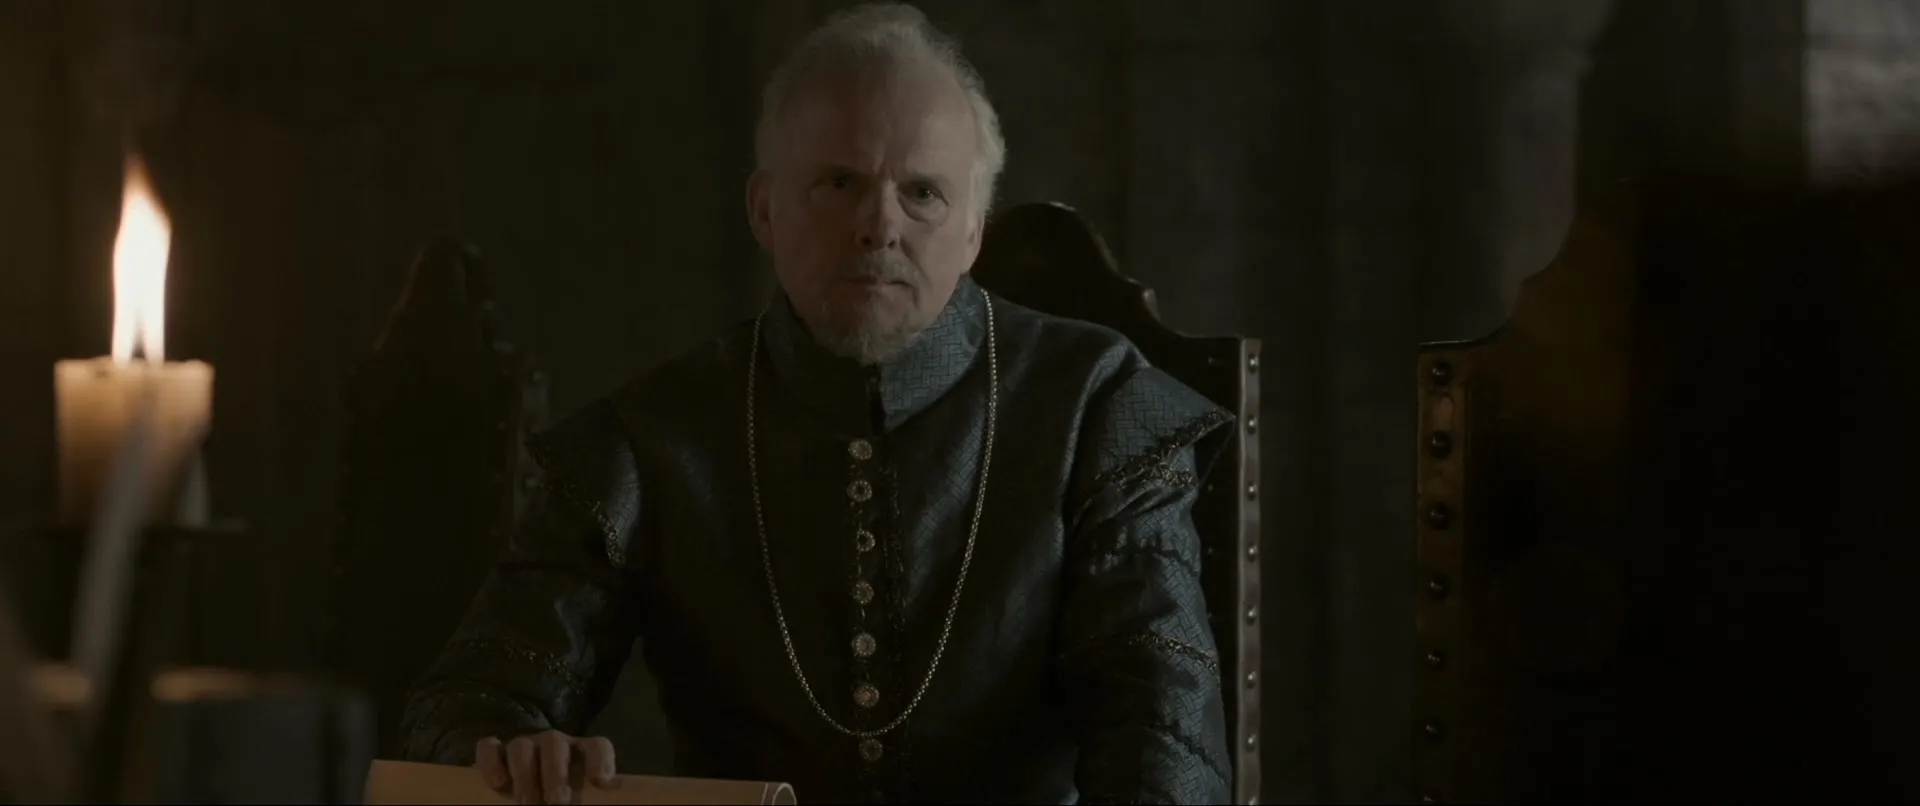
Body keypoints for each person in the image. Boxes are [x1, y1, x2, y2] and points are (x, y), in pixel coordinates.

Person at [398, 4, 1232, 803]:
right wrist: (512, 750)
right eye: (840, 183)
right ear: (764, 208)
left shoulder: (1099, 409)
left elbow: (1163, 745)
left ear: (974, 230)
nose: (879, 226)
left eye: (923, 192)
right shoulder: (652, 435)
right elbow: (469, 700)